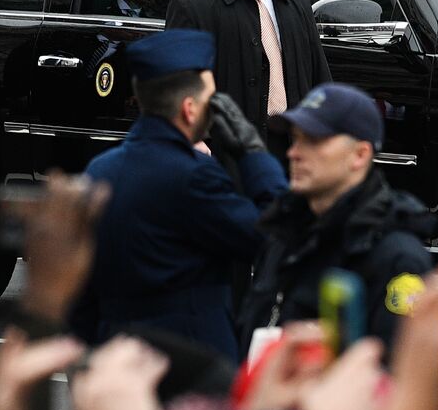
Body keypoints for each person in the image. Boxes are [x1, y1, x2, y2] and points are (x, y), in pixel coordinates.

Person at [72, 29, 287, 359]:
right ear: (189, 109)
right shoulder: (194, 175)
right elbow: (276, 232)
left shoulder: (100, 170)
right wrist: (253, 154)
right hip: (190, 366)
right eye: (210, 101)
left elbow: (84, 286)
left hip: (114, 355)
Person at [238, 83, 433, 353]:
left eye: (313, 140)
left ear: (360, 155)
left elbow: (398, 376)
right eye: (295, 139)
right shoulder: (283, 235)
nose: (294, 152)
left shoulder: (396, 257)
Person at [166, 0, 330, 146]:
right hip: (227, 151)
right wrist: (192, 139)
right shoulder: (192, 7)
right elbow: (174, 83)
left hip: (292, 147)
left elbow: (320, 79)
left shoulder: (297, 4)